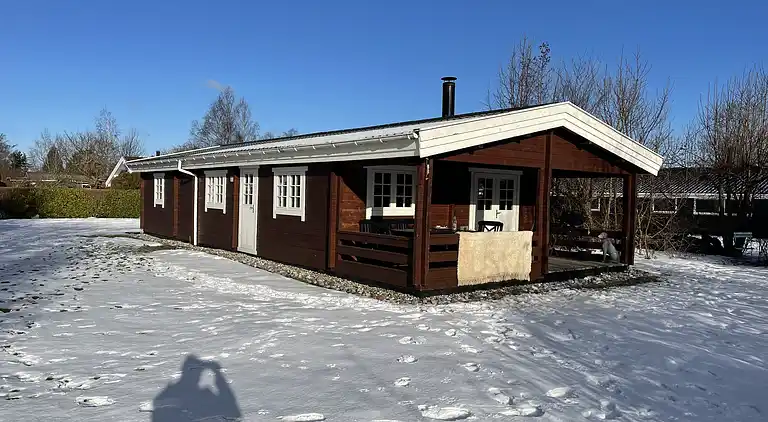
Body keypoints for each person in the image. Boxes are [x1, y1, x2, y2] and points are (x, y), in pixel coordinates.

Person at [152, 355, 241, 422]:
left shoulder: (204, 395)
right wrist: (217, 373)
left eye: (198, 373)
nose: (197, 376)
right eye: (195, 372)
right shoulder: (169, 396)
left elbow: (230, 409)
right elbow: (232, 409)